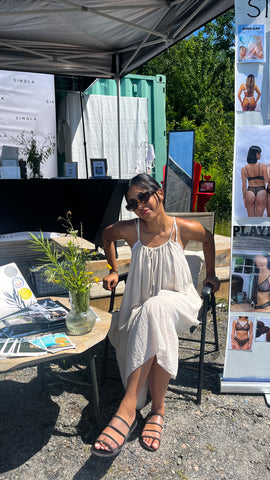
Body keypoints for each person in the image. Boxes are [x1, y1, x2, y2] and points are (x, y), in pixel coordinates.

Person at [92, 173, 220, 457]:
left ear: (159, 194)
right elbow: (106, 236)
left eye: (143, 197)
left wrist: (210, 275)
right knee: (153, 310)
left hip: (180, 303)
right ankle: (157, 411)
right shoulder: (131, 229)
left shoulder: (182, 228)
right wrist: (113, 269)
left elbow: (209, 239)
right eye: (132, 203)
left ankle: (126, 410)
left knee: (158, 306)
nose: (140, 205)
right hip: (143, 307)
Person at [241, 145, 267, 217]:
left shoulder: (244, 169)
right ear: (256, 154)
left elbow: (244, 185)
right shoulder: (263, 166)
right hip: (261, 190)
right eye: (259, 153)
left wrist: (244, 197)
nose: (260, 155)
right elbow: (267, 180)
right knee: (259, 218)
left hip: (250, 190)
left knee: (250, 217)